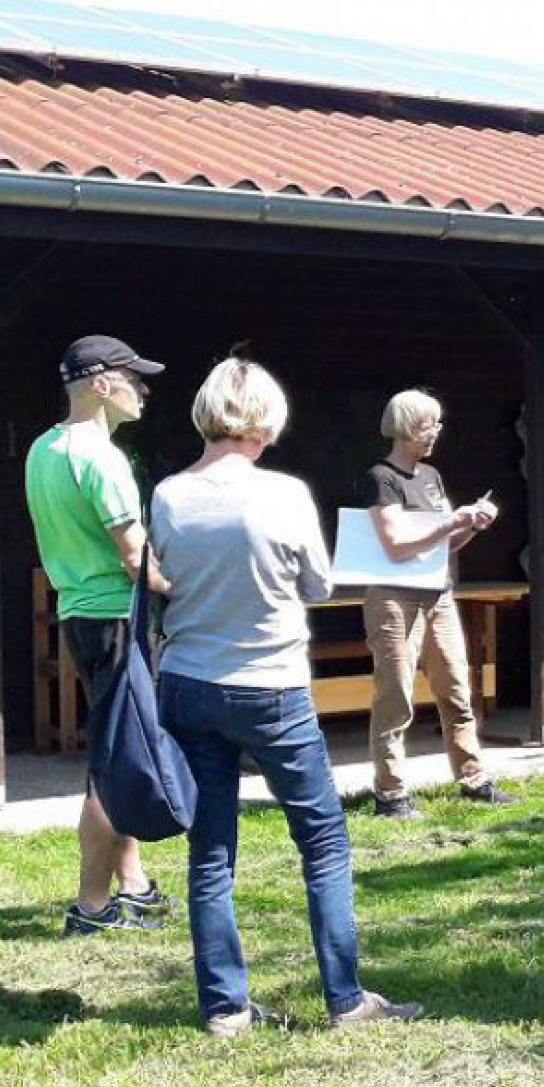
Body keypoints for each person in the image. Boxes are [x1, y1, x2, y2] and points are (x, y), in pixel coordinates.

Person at [151, 358, 419, 1035]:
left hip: (188, 681)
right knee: (323, 840)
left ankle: (225, 1009)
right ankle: (345, 997)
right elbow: (318, 586)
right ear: (267, 421)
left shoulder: (168, 495)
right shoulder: (284, 495)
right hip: (270, 684)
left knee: (211, 849)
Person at [23, 335, 173, 937]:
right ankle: (90, 907)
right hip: (117, 617)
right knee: (112, 763)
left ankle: (132, 884)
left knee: (122, 750)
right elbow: (135, 556)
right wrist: (180, 586)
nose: (144, 390)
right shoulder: (102, 458)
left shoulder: (42, 449)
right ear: (102, 384)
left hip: (80, 613)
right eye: (135, 379)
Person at [360, 389, 513, 821]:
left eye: (438, 425)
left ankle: (473, 779)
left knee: (457, 689)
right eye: (428, 425)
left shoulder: (432, 477)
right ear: (405, 427)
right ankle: (390, 794)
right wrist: (452, 519)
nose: (435, 434)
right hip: (393, 599)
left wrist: (473, 525)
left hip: (438, 595)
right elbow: (396, 545)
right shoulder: (381, 478)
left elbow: (445, 544)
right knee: (396, 696)